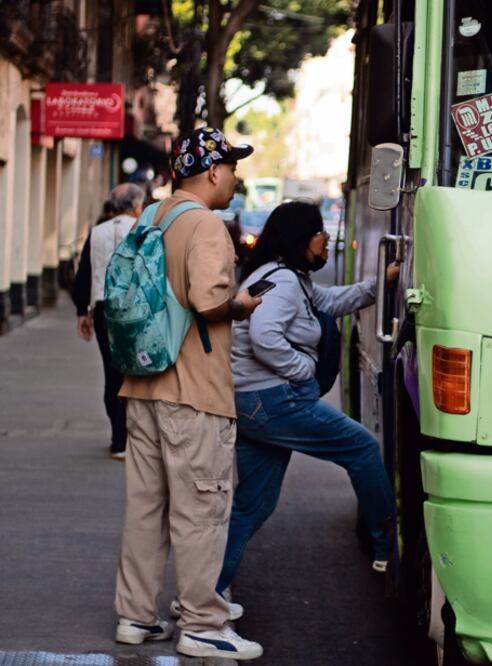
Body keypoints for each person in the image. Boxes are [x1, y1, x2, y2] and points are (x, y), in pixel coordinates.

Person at [113, 127, 264, 660]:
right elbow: (207, 301)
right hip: (193, 392)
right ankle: (202, 623)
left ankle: (135, 617)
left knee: (145, 508)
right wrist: (241, 306)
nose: (236, 178)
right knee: (202, 509)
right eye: (233, 168)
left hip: (143, 384)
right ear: (215, 171)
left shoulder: (153, 216)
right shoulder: (204, 224)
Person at [216, 200, 397, 599]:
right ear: (301, 237)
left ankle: (210, 589)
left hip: (252, 403)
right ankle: (388, 544)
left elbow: (329, 303)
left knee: (253, 504)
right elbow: (265, 336)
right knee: (363, 448)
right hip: (274, 400)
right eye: (318, 232)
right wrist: (303, 373)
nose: (325, 239)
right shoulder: (281, 282)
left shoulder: (284, 277)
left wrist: (376, 285)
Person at [72, 184, 145, 460]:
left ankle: (118, 438)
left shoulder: (97, 231)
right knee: (132, 373)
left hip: (103, 309)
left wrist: (83, 311)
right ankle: (123, 438)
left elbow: (85, 273)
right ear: (136, 204)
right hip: (134, 309)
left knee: (111, 372)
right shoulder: (143, 229)